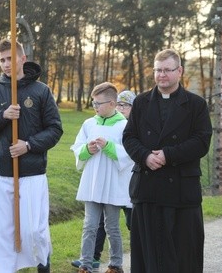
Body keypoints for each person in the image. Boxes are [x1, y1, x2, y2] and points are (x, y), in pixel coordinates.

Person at [122, 48, 213, 272]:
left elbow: (202, 141)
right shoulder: (141, 103)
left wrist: (168, 155)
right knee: (149, 256)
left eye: (167, 70)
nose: (162, 75)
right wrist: (144, 156)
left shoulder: (196, 105)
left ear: (179, 71)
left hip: (181, 190)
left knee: (183, 256)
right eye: (158, 70)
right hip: (148, 188)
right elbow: (129, 136)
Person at [0, 39, 63, 273]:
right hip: (1, 172)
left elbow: (55, 129)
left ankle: (43, 267)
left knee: (34, 230)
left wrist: (29, 145)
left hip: (32, 172)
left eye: (10, 58)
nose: (6, 64)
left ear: (22, 59)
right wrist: (3, 115)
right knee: (1, 231)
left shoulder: (41, 91)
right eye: (2, 59)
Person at [71, 82, 133, 273]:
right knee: (89, 225)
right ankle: (86, 264)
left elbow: (129, 153)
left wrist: (109, 147)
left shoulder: (125, 126)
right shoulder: (89, 124)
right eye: (93, 102)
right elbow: (77, 147)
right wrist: (86, 150)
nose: (95, 107)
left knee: (112, 226)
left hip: (112, 183)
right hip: (92, 182)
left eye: (99, 103)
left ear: (113, 103)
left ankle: (115, 264)